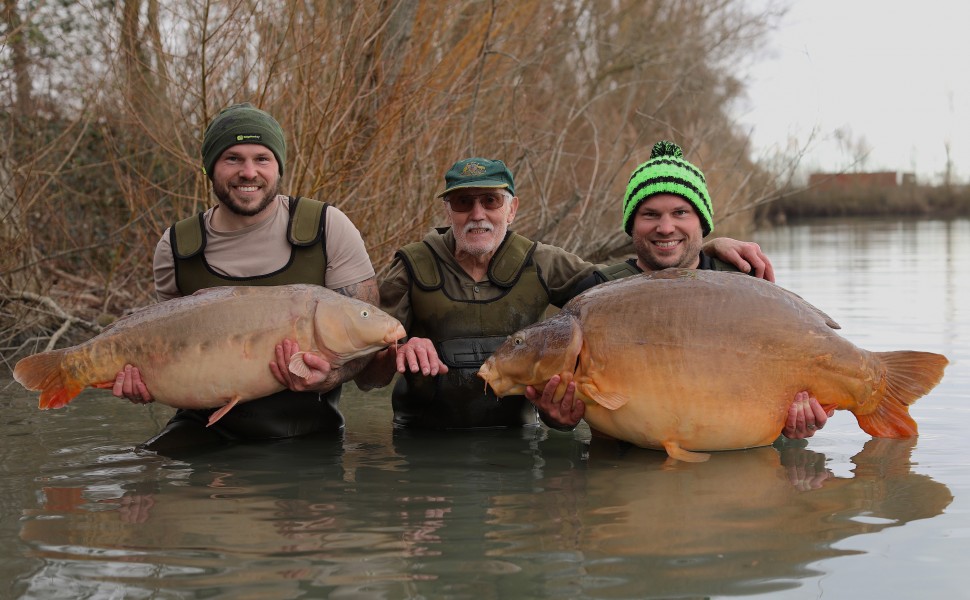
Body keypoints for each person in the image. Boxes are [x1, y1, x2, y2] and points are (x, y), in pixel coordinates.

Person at [354, 155, 777, 431]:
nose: (477, 214)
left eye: (490, 201)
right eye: (464, 203)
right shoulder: (408, 267)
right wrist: (398, 350)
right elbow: (365, 377)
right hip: (420, 444)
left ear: (512, 208)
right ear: (448, 211)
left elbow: (638, 294)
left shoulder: (545, 263)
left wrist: (705, 250)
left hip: (518, 442)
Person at [111, 103, 380, 453]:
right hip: (204, 427)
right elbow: (169, 346)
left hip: (307, 430)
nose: (248, 172)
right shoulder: (177, 246)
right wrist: (145, 384)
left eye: (262, 158)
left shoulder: (327, 228)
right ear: (211, 168)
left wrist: (327, 378)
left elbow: (370, 347)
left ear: (278, 166)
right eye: (233, 158)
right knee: (141, 479)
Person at [526, 140, 832, 439]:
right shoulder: (598, 293)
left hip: (730, 470)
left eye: (680, 212)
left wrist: (797, 424)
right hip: (623, 474)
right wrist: (558, 420)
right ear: (632, 225)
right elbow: (559, 393)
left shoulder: (743, 285)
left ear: (703, 221)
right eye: (650, 214)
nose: (666, 227)